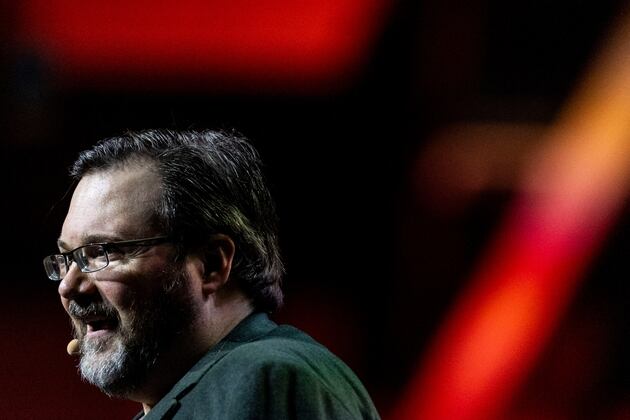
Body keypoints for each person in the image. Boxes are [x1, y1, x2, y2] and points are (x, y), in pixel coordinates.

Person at [43, 128, 380, 419]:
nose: (68, 286)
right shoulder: (205, 390)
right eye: (68, 258)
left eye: (103, 252)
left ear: (212, 264)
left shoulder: (263, 378)